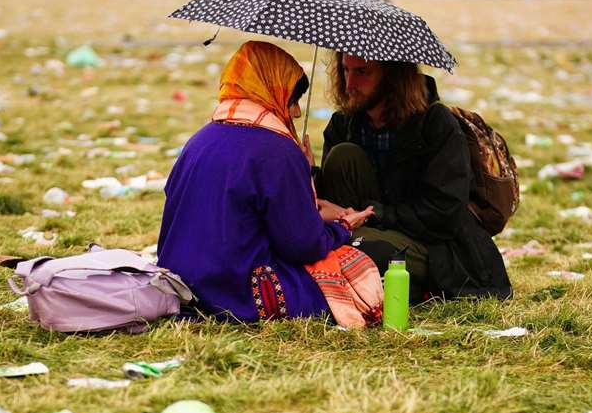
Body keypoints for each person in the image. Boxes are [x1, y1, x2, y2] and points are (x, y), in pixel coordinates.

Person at [158, 40, 381, 324]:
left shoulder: (200, 138)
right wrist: (342, 228)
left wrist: (304, 178)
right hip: (233, 293)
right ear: (271, 91)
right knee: (356, 263)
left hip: (180, 286)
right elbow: (303, 246)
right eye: (293, 99)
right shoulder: (277, 150)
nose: (297, 112)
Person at [315, 53, 511, 301]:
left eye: (362, 72)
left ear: (392, 77)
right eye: (345, 70)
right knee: (343, 157)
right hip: (366, 229)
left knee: (357, 249)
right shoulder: (344, 124)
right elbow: (331, 199)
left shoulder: (436, 125)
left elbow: (444, 212)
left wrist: (373, 214)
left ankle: (404, 280)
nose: (350, 83)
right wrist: (307, 173)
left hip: (433, 245)